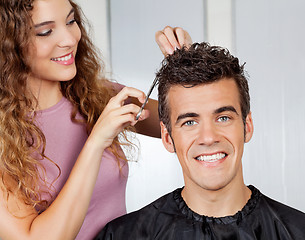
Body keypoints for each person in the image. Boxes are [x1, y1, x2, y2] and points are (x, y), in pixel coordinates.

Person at [95, 42, 305, 240]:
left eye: (223, 117)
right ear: (167, 138)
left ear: (247, 126)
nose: (208, 138)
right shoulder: (123, 236)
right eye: (189, 122)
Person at [0, 0, 191, 239]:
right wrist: (96, 141)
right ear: (8, 44)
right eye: (45, 32)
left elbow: (185, 124)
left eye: (71, 21)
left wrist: (186, 66)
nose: (69, 39)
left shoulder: (97, 97)